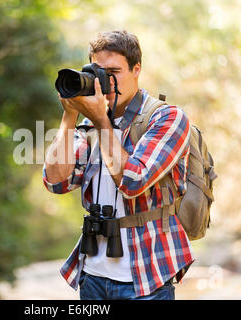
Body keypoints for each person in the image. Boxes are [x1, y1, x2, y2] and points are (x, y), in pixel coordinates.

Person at [43, 30, 194, 300]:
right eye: (98, 73)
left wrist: (103, 122)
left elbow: (133, 181)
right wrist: (69, 116)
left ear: (136, 69)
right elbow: (56, 181)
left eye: (114, 71)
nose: (106, 83)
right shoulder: (88, 124)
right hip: (92, 275)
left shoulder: (167, 118)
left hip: (146, 275)